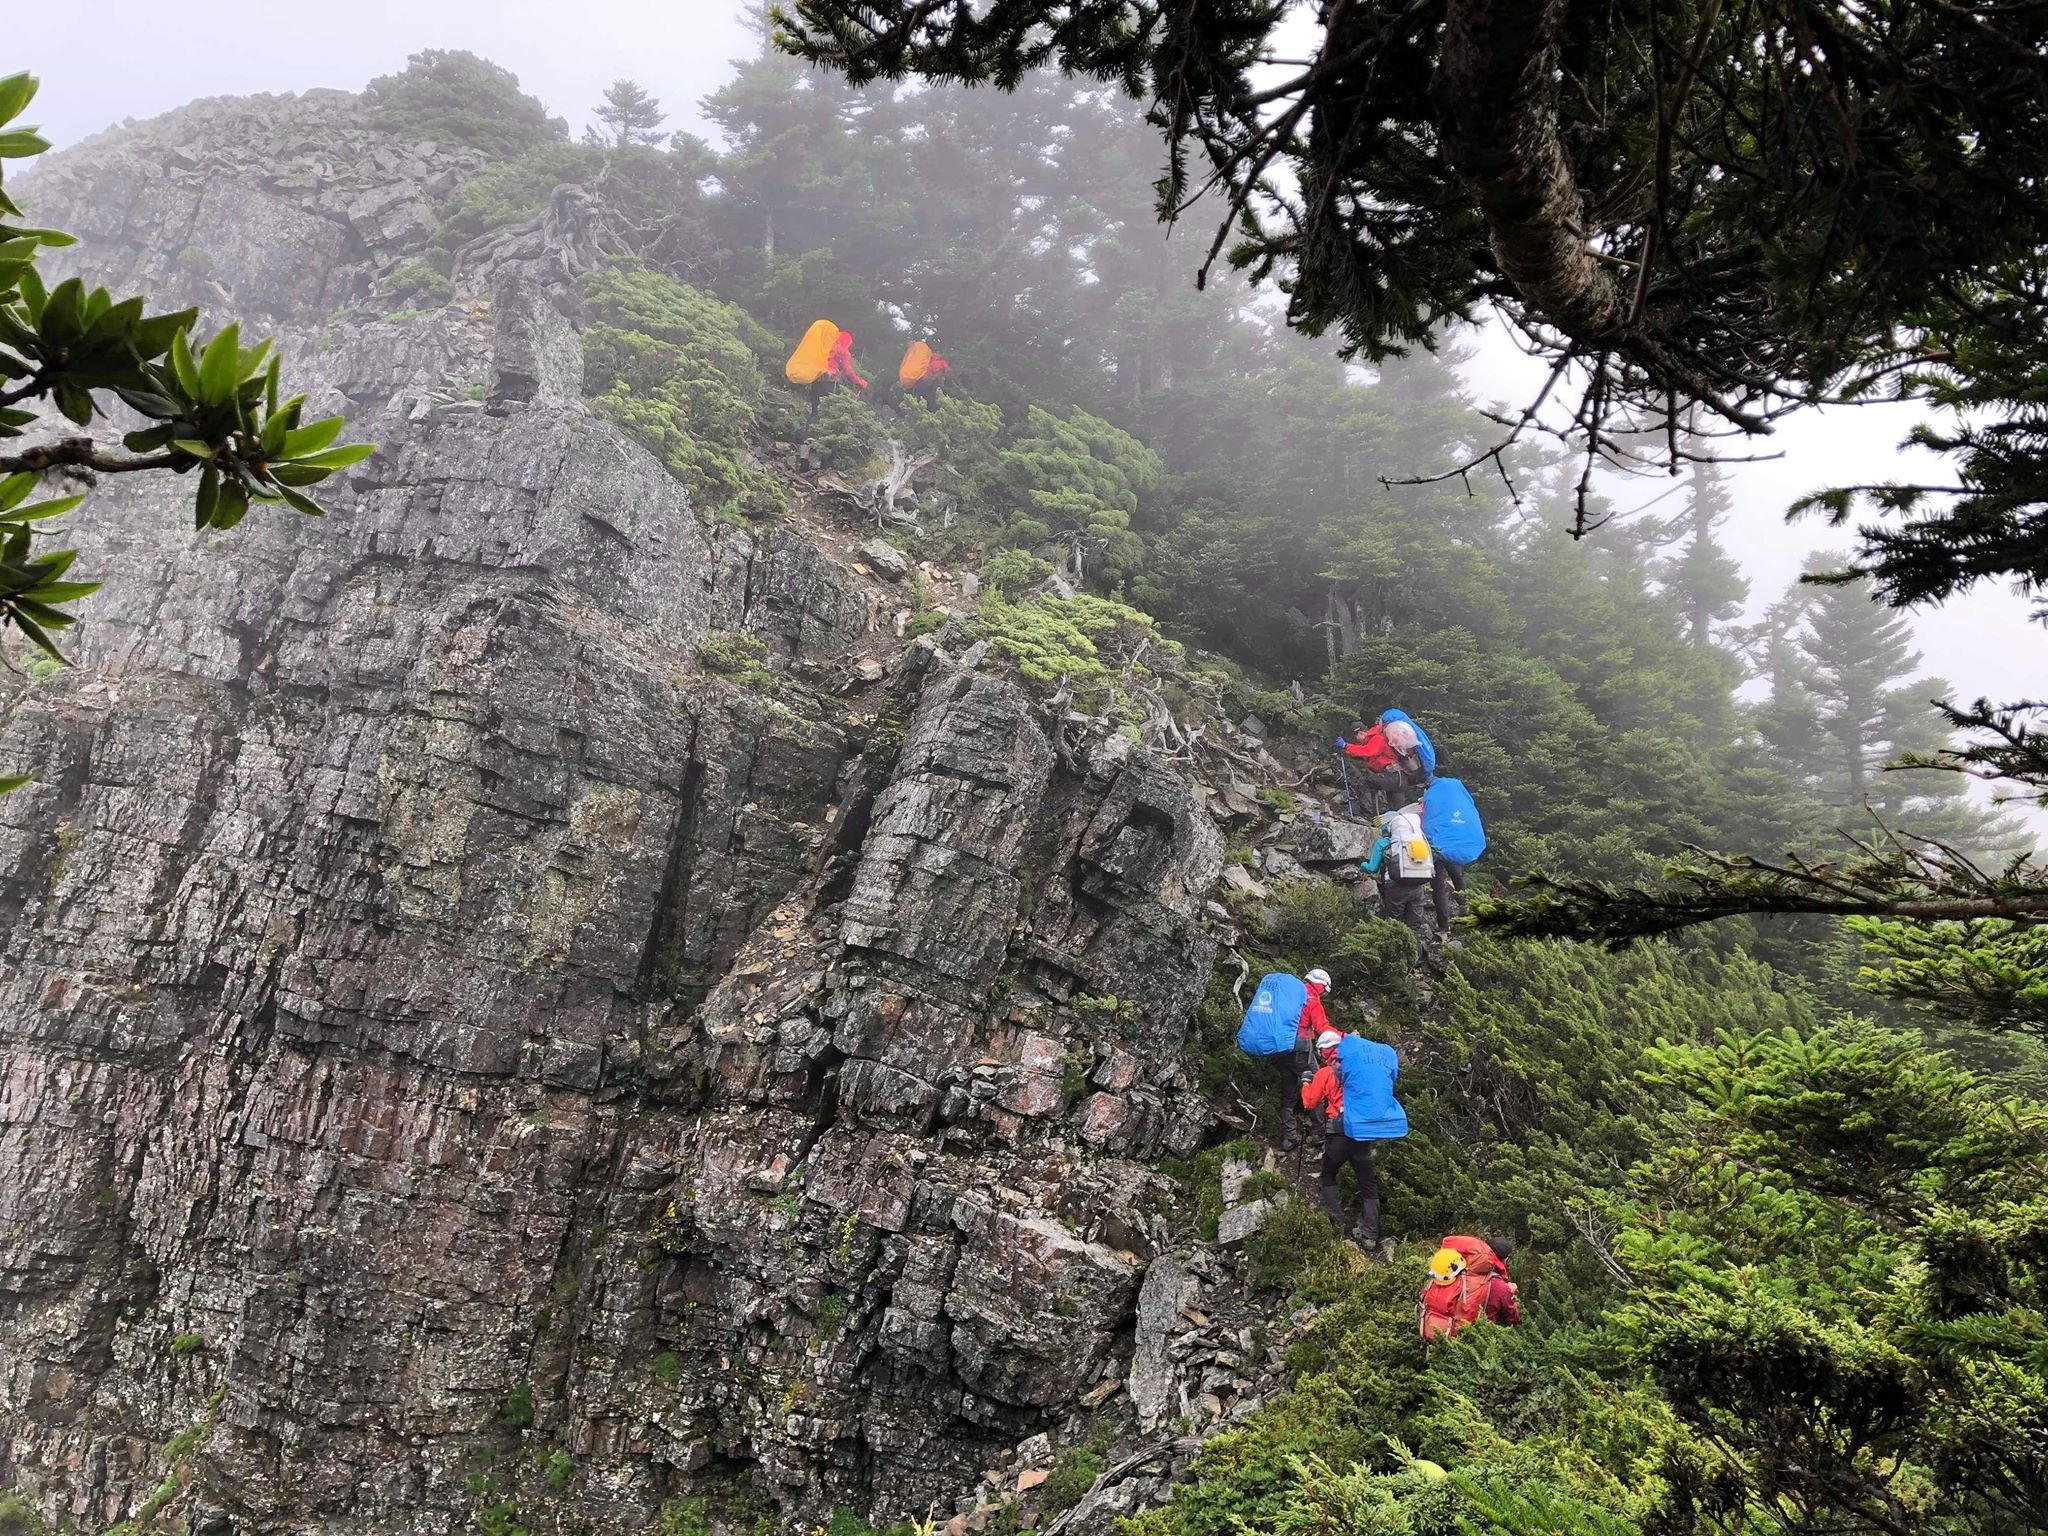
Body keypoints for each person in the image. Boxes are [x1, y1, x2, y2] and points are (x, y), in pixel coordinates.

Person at [1301, 1026, 1406, 1246]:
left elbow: (1309, 1102)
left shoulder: (1326, 1073)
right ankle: (1370, 1234)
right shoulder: (1360, 1071)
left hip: (1339, 1133)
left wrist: (1305, 1082)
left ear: (1324, 1052)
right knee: (1367, 1182)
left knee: (1329, 1173)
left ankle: (1335, 1223)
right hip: (1362, 1131)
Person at [1363, 802, 1438, 965]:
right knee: (1414, 924)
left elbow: (1371, 868)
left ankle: (1392, 959)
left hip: (1396, 887)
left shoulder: (1385, 843)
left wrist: (1362, 865)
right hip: (1418, 888)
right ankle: (1414, 959)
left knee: (1394, 922)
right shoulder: (1418, 841)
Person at [1418, 1235, 1521, 1340]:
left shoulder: (1454, 1271)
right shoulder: (1499, 1286)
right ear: (1505, 1260)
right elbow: (1512, 1320)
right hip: (1472, 1341)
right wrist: (1510, 1293)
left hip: (1434, 1330)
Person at [1273, 967, 1332, 1149]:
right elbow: (1323, 1028)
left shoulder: (1291, 995)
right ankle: (1318, 1133)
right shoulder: (1312, 1000)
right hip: (1300, 1050)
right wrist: (1342, 1039)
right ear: (1321, 985)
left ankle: (1289, 1136)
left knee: (1288, 1092)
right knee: (1317, 1086)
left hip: (1280, 1049)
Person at [809, 329, 870, 419]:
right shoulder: (844, 352)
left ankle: (808, 430)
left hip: (816, 379)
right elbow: (848, 371)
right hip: (830, 383)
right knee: (828, 413)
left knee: (814, 410)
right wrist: (859, 382)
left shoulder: (826, 347)